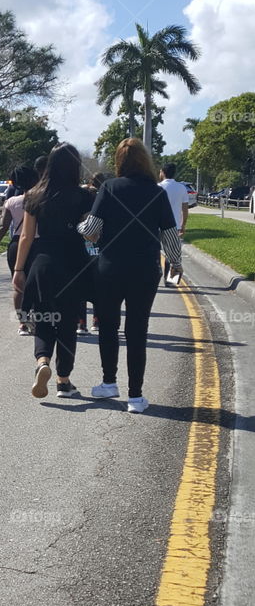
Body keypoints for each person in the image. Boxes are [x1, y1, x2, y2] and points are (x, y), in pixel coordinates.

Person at [79, 138, 182, 414]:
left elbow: (91, 229)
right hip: (145, 270)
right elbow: (170, 234)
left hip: (109, 269)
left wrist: (79, 226)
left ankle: (109, 382)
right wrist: (175, 263)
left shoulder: (110, 188)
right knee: (137, 331)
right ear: (145, 161)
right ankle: (136, 397)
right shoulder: (156, 193)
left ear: (119, 161)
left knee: (109, 327)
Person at [13, 144, 94, 399]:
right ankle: (63, 380)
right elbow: (91, 233)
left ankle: (42, 362)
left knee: (44, 317)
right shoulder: (84, 197)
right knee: (68, 323)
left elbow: (26, 236)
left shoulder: (34, 195)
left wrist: (18, 268)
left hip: (42, 263)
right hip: (73, 263)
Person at [0, 165, 39, 334]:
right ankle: (37, 319)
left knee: (18, 286)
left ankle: (22, 323)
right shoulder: (41, 200)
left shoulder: (11, 202)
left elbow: (3, 227)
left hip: (16, 245)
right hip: (37, 244)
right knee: (37, 285)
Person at [77, 172, 106, 334]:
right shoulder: (104, 208)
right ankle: (97, 320)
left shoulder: (81, 214)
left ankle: (81, 323)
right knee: (99, 289)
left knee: (81, 289)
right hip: (99, 253)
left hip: (82, 253)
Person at [158, 163, 189, 281]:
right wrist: (183, 225)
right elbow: (185, 210)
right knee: (172, 255)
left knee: (156, 252)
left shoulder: (158, 187)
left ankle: (155, 277)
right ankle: (171, 280)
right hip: (174, 226)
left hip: (157, 226)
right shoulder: (181, 188)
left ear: (162, 172)